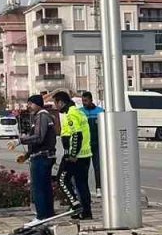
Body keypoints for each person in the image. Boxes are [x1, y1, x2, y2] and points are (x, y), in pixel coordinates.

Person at [53, 91, 93, 220]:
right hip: (85, 154)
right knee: (82, 184)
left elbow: (77, 135)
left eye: (56, 103)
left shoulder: (71, 114)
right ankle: (86, 211)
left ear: (61, 102)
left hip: (76, 156)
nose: (55, 106)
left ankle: (75, 205)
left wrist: (73, 154)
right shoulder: (78, 111)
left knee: (62, 179)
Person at [18, 95, 57, 220]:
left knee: (39, 188)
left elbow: (39, 137)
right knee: (45, 187)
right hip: (45, 155)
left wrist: (21, 141)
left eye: (30, 103)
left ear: (38, 104)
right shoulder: (44, 116)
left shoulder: (41, 116)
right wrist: (27, 155)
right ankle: (48, 214)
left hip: (41, 157)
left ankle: (41, 216)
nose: (28, 106)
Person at [79, 91, 105, 195]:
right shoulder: (80, 112)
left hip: (97, 144)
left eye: (86, 100)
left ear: (91, 100)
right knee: (84, 168)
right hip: (85, 145)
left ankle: (99, 188)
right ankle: (85, 190)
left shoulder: (100, 111)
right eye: (82, 101)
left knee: (98, 167)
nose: (84, 103)